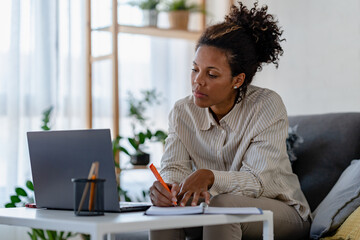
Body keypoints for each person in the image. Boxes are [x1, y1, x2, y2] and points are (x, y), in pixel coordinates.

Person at [149, 1, 311, 239]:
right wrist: (168, 188)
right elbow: (174, 167)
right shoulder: (183, 112)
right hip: (212, 208)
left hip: (280, 211)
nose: (198, 81)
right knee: (164, 211)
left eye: (211, 74)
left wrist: (209, 176)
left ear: (237, 80)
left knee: (223, 207)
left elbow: (257, 181)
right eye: (195, 69)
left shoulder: (266, 105)